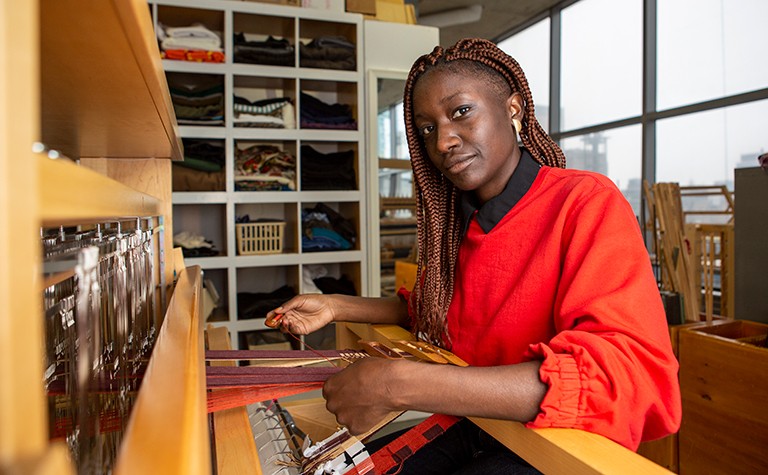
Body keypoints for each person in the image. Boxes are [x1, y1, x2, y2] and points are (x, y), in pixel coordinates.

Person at [267, 38, 681, 474]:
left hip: (558, 446)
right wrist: (335, 306)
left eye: (461, 111)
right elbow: (436, 311)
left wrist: (399, 382)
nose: (443, 141)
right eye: (427, 129)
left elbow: (629, 376)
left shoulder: (584, 202)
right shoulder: (460, 225)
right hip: (484, 426)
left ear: (514, 108)